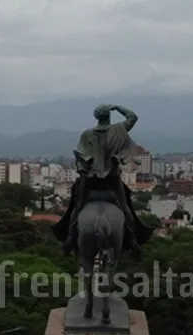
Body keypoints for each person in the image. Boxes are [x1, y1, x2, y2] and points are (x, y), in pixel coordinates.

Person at [52, 104, 152, 257]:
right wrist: (118, 107)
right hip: (111, 176)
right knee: (124, 207)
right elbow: (133, 117)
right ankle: (133, 242)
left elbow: (80, 155)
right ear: (109, 116)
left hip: (90, 178)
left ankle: (70, 239)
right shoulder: (118, 130)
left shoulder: (87, 135)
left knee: (77, 207)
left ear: (96, 117)